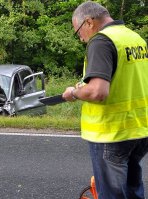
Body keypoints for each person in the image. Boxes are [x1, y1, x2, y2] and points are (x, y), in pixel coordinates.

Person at [62, 1, 148, 199]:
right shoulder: (134, 38)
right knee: (132, 191)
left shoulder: (101, 41)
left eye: (78, 32)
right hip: (139, 130)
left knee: (112, 194)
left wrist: (73, 93)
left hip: (113, 132)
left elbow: (98, 92)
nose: (82, 39)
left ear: (89, 22)